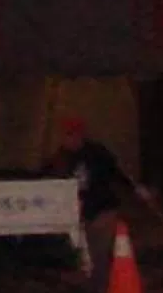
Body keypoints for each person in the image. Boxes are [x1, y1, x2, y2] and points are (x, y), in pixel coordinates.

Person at [52, 114, 136, 280]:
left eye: (70, 135)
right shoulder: (62, 158)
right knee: (85, 253)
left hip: (102, 208)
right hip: (80, 213)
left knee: (100, 252)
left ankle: (103, 289)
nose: (67, 140)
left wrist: (135, 189)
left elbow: (116, 173)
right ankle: (93, 287)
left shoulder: (97, 153)